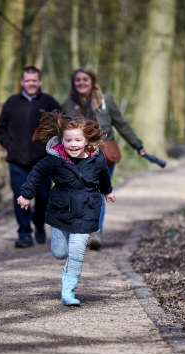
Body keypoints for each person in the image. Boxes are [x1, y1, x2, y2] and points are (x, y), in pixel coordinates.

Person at [17, 111, 115, 306]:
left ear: (86, 140)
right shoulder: (54, 159)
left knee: (77, 251)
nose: (73, 144)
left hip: (87, 210)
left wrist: (108, 191)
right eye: (68, 140)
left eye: (77, 140)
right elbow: (36, 173)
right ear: (61, 140)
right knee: (60, 252)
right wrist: (27, 194)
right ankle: (67, 266)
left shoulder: (97, 159)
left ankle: (68, 290)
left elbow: (103, 176)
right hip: (60, 210)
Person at [61, 67, 146, 250]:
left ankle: (94, 232)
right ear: (73, 83)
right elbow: (60, 133)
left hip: (104, 155)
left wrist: (137, 145)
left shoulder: (106, 101)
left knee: (98, 194)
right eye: (78, 80)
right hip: (77, 157)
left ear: (92, 81)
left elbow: (121, 124)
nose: (82, 83)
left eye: (85, 79)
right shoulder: (67, 105)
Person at [0, 66, 62, 248]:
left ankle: (39, 224)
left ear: (39, 82)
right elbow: (0, 129)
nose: (31, 84)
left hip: (43, 160)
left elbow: (63, 127)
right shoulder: (12, 102)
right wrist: (10, 145)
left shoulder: (49, 102)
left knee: (43, 197)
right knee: (20, 196)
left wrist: (52, 148)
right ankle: (24, 233)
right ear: (22, 82)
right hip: (17, 160)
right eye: (27, 80)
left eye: (34, 80)